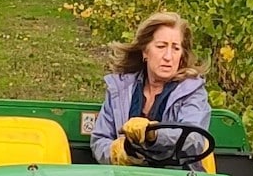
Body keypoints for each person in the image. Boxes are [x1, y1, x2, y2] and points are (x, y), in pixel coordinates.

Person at [89, 11, 212, 166]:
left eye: (175, 48)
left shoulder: (193, 91)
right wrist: (117, 153)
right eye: (161, 46)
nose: (168, 56)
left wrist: (154, 134)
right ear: (145, 51)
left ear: (182, 56)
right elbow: (100, 139)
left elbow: (194, 140)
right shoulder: (120, 88)